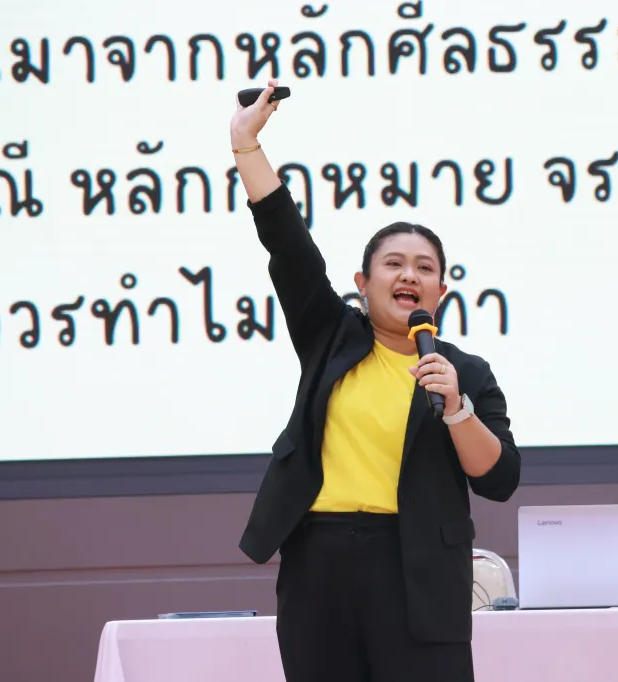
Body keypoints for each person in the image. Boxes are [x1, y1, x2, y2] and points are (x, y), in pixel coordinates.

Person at [230, 79, 521, 682]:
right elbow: (288, 243)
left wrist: (457, 408)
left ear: (441, 292)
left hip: (418, 569)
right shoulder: (330, 336)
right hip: (322, 563)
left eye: (424, 268)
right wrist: (245, 145)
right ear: (362, 284)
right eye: (394, 264)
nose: (409, 275)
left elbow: (499, 478)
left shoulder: (464, 371)